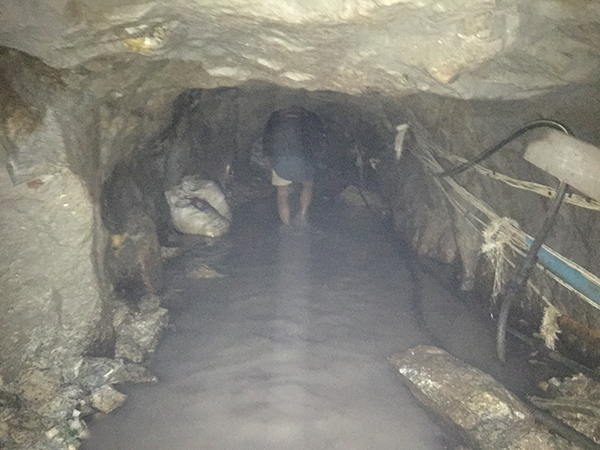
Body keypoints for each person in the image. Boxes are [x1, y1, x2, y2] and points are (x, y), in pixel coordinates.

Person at [262, 106, 323, 226]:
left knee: (282, 195)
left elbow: (267, 139)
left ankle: (286, 224)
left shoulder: (275, 117)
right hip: (305, 159)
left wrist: (268, 159)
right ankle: (303, 215)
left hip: (281, 159)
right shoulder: (310, 116)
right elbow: (319, 139)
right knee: (307, 186)